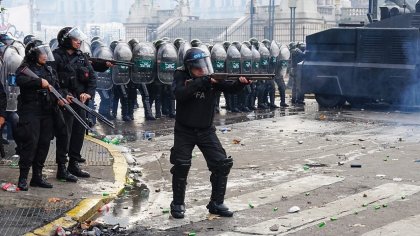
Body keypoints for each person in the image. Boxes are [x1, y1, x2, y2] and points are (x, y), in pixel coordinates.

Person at [170, 47, 250, 219]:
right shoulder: (180, 75)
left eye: (204, 66)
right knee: (181, 165)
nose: (202, 70)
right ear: (189, 68)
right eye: (198, 67)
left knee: (221, 163)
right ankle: (177, 203)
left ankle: (216, 203)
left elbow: (230, 88)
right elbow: (179, 94)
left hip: (206, 129)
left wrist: (240, 83)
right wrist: (200, 83)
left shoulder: (212, 77)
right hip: (184, 130)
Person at [15, 40, 62, 190]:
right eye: (42, 52)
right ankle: (23, 178)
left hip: (47, 111)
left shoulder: (48, 69)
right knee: (30, 144)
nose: (45, 55)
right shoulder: (25, 68)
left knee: (44, 144)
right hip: (31, 112)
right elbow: (19, 80)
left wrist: (61, 97)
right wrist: (38, 82)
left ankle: (37, 177)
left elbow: (56, 86)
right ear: (34, 54)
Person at [53, 27, 96, 178]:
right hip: (64, 103)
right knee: (65, 135)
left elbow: (92, 78)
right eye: (75, 39)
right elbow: (53, 81)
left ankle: (74, 164)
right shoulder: (56, 57)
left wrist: (88, 94)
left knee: (78, 134)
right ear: (66, 41)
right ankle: (62, 168)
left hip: (80, 102)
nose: (79, 42)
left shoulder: (81, 56)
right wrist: (64, 95)